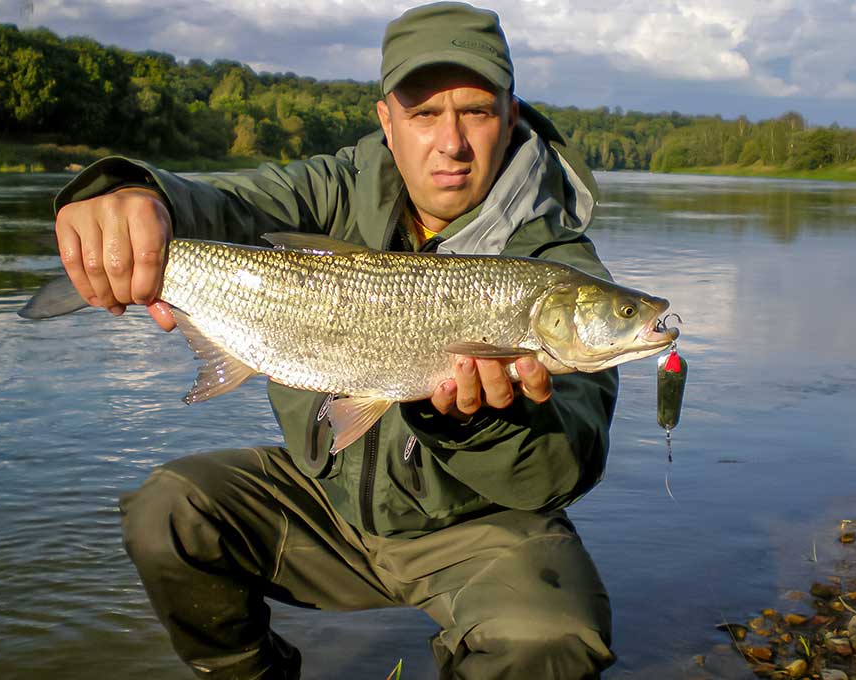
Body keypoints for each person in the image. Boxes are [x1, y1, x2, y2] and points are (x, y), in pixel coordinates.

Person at [52, 2, 618, 678]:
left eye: (476, 111)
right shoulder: (333, 188)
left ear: (511, 114)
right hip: (328, 499)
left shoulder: (556, 262)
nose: (452, 142)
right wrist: (132, 194)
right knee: (168, 510)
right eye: (424, 113)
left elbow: (566, 470)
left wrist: (480, 426)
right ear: (386, 118)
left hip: (482, 530)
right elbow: (228, 204)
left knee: (551, 636)